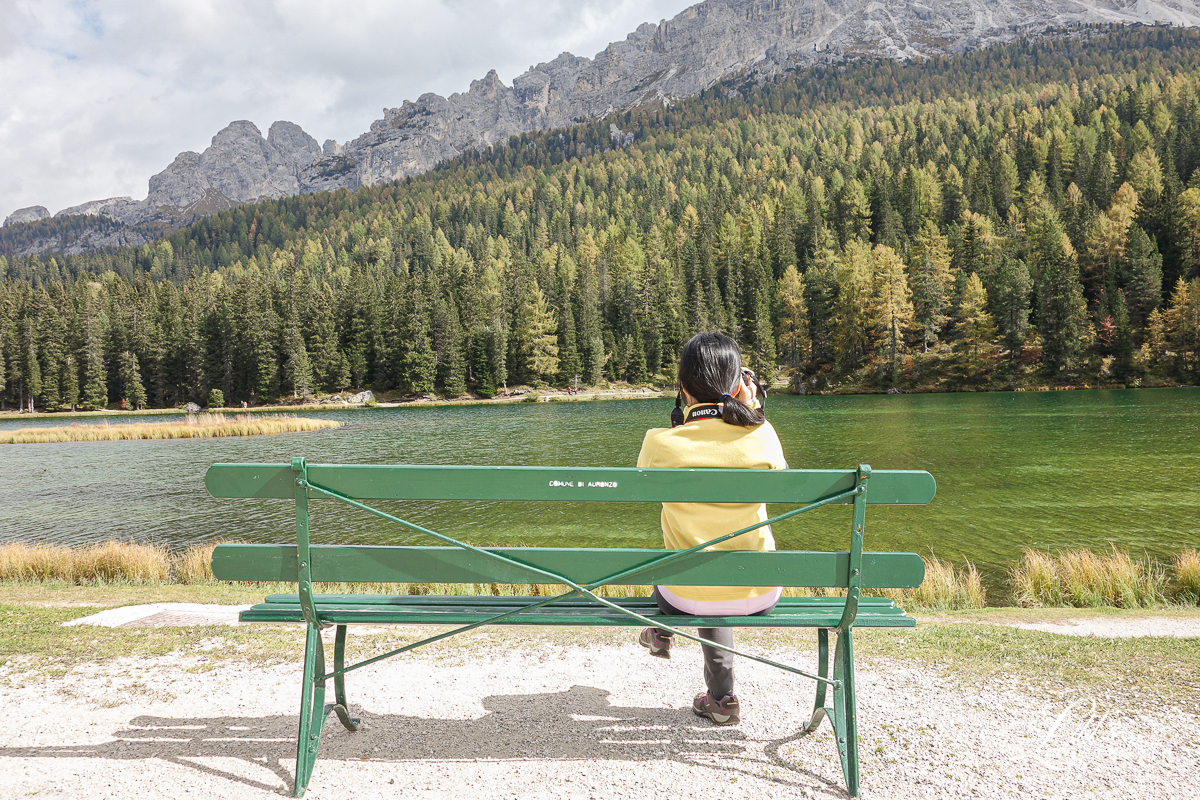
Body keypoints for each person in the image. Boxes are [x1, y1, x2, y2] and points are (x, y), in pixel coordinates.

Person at [636, 331, 787, 726]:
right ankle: (721, 698)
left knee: (687, 565)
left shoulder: (659, 444)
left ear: (683, 389)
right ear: (740, 384)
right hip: (760, 590)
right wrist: (750, 405)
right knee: (716, 571)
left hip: (681, 596)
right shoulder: (764, 437)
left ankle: (661, 629)